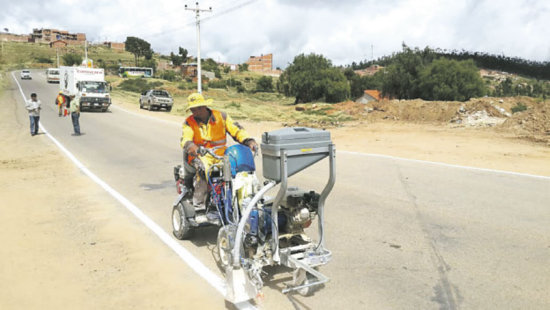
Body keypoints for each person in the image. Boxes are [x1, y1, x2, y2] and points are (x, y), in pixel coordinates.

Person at [180, 93, 258, 208]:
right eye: (192, 109)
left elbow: (236, 130)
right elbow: (186, 139)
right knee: (203, 169)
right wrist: (193, 147)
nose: (195, 112)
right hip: (200, 155)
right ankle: (199, 205)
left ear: (204, 106)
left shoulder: (221, 116)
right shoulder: (189, 122)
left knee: (239, 168)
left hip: (221, 154)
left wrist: (248, 141)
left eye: (198, 108)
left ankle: (239, 198)